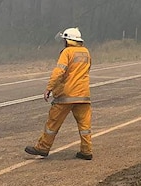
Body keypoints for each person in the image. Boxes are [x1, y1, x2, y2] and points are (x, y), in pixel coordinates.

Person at [25, 27, 94, 160]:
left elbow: (59, 72)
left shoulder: (67, 52)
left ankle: (43, 147)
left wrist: (49, 88)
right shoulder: (86, 52)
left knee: (53, 123)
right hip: (83, 95)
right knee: (85, 126)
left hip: (65, 95)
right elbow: (88, 69)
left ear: (68, 40)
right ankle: (86, 151)